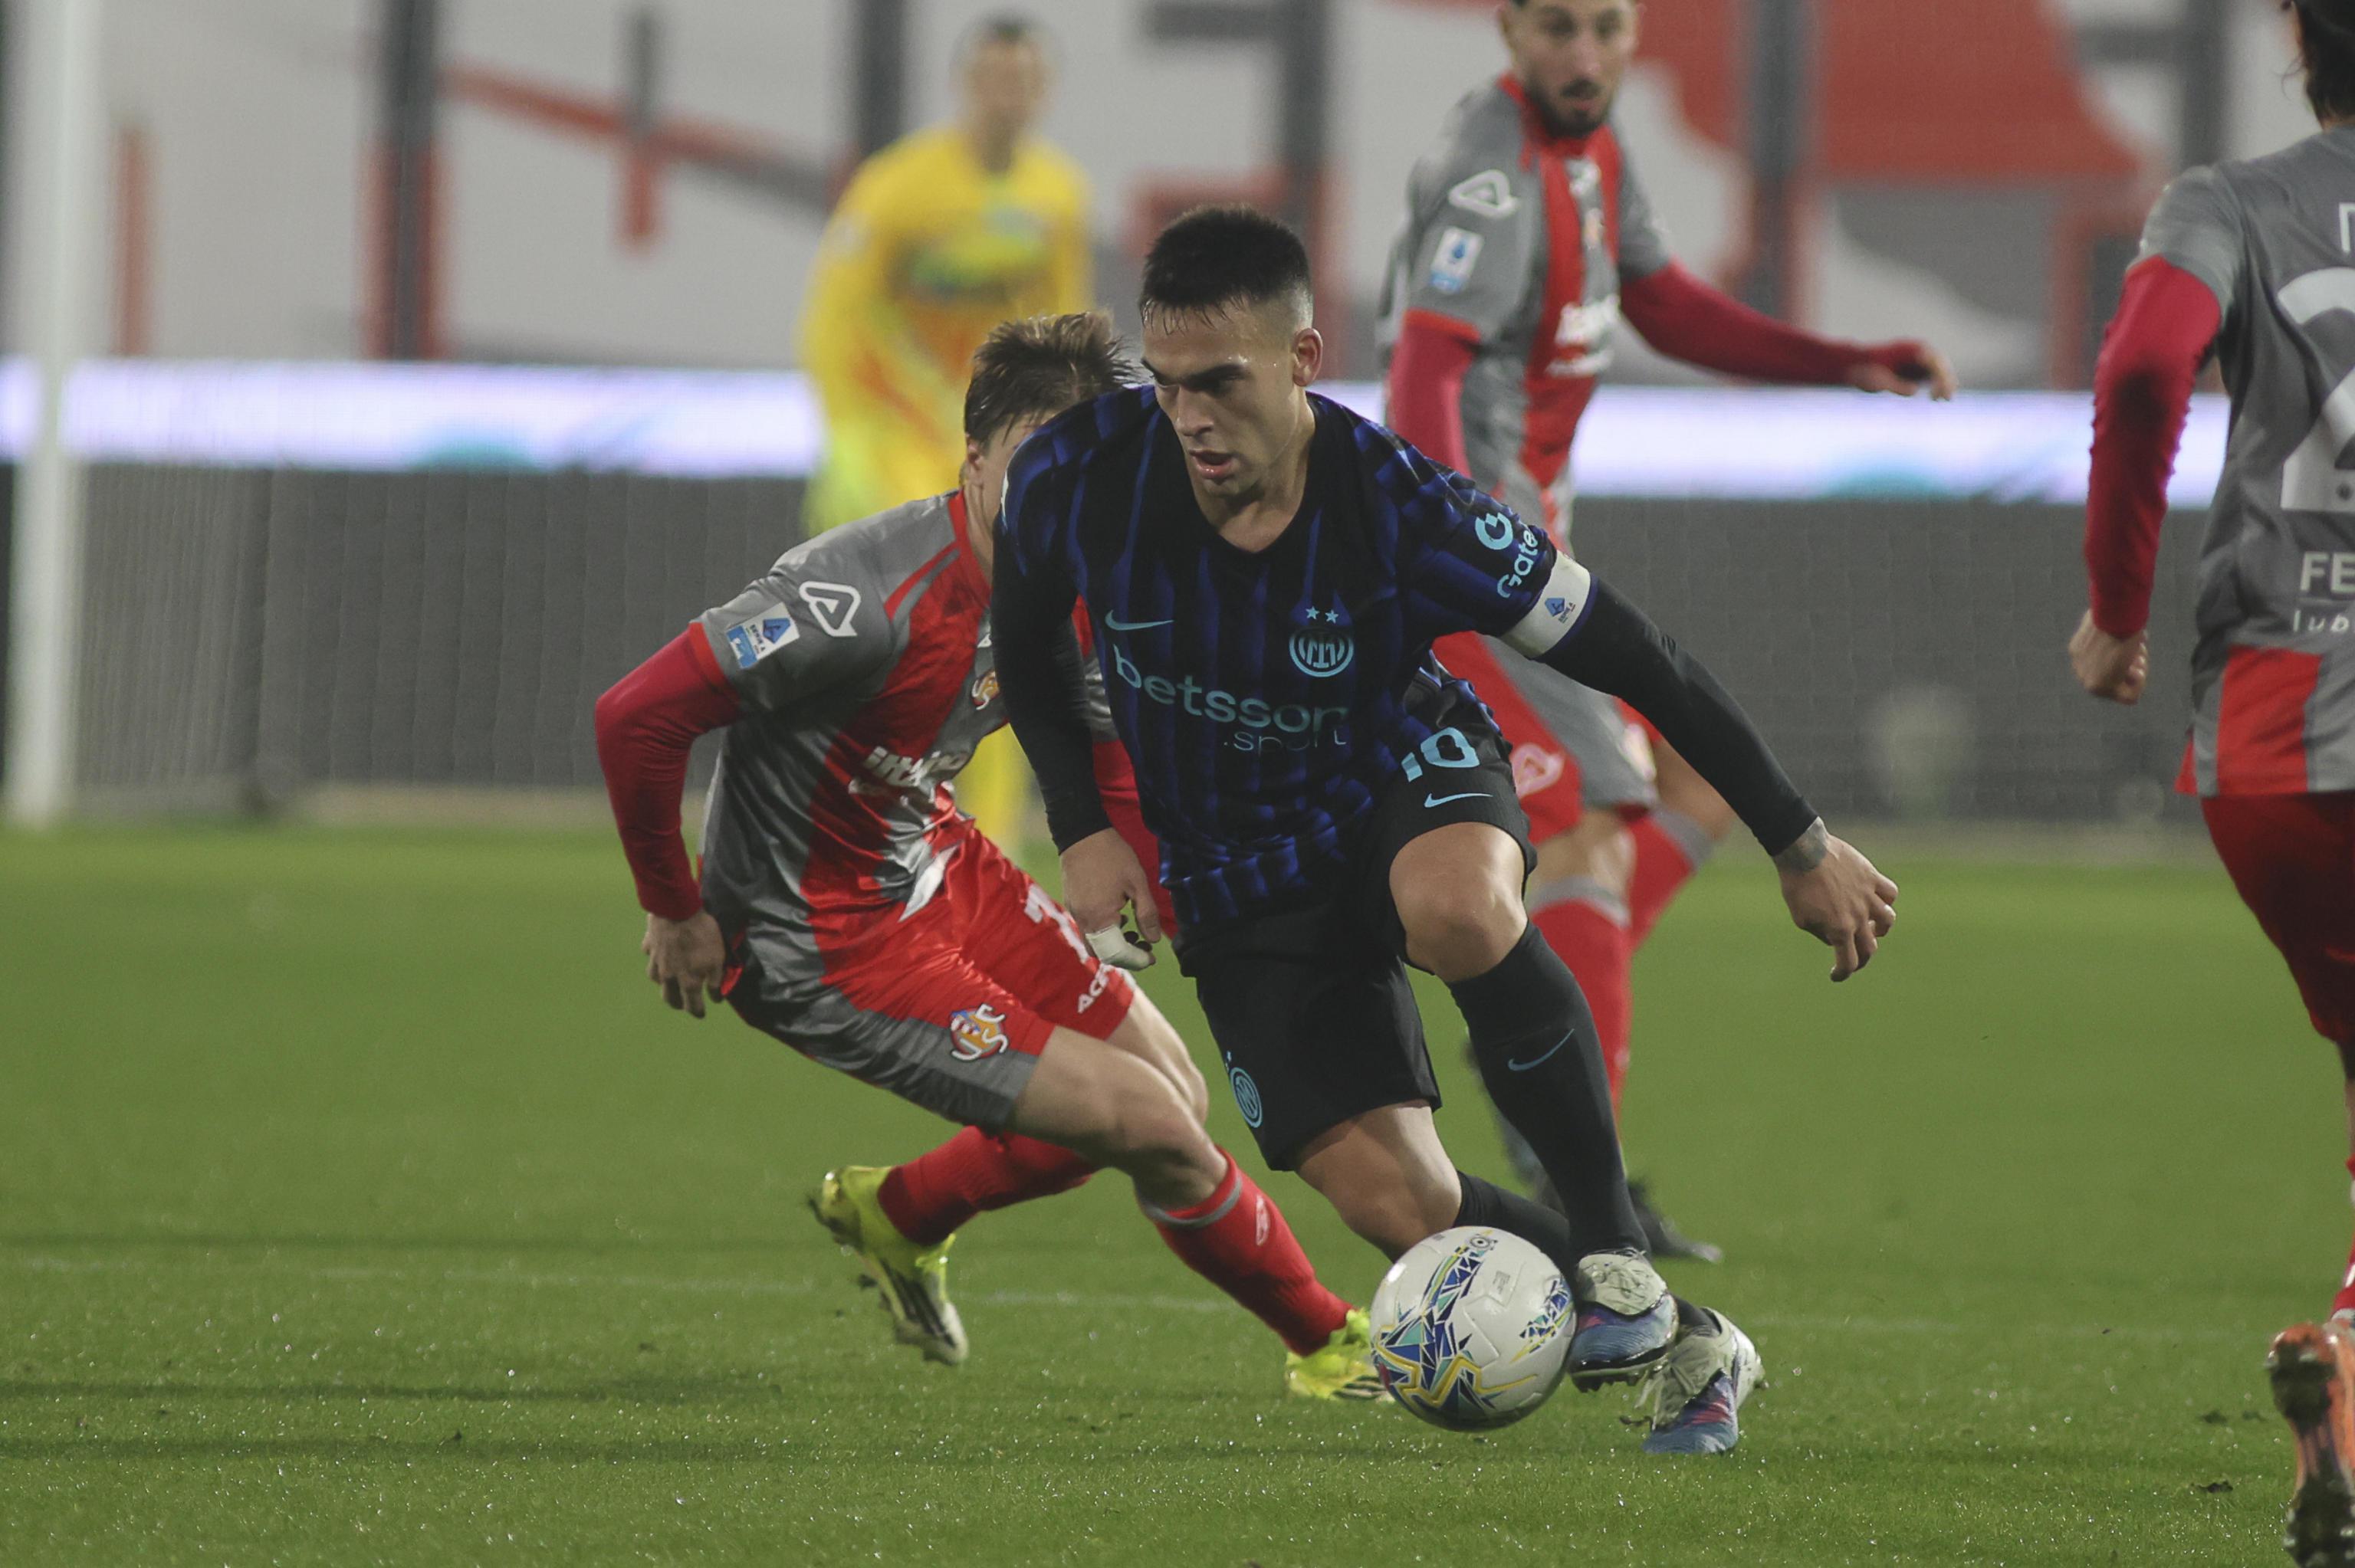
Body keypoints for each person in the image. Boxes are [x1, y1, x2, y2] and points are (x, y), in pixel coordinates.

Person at [993, 205, 1899, 1454]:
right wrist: (1085, 830)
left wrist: (1799, 842)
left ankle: (1616, 1256)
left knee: (1458, 907)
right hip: (1235, 871)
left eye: (1222, 381)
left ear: (1302, 359)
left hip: (1398, 778)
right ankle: (1695, 1340)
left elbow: (1638, 654)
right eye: (1169, 382)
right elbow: (1026, 646)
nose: (1190, 415)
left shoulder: (1401, 506)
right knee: (1398, 1202)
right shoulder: (1077, 476)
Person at [593, 313, 1378, 1401]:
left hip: (934, 860)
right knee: (1151, 1123)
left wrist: (1182, 899)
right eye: (1035, 461)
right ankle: (1334, 1346)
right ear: (972, 458)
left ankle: (899, 1213)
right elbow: (636, 716)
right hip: (816, 939)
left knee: (1170, 1091)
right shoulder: (859, 600)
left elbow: (1107, 753)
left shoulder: (1074, 588)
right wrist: (675, 907)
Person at [1378, 0, 1956, 1259]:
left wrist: (1835, 360)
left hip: (1524, 555)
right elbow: (1426, 359)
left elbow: (1663, 301)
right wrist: (1445, 536)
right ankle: (1583, 1187)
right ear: (1509, 30)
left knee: (1688, 777)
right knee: (1592, 821)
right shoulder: (1492, 171)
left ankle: (1526, 1010)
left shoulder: (1591, 151)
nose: (1583, 56)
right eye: (1556, 29)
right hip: (1477, 566)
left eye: (1605, 28)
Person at [2071, 2, 2355, 1553]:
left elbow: (2138, 377)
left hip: (2269, 737)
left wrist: (2117, 611)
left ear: (2299, 41)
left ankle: (2341, 1420)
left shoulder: (2225, 204)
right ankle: (2347, 1368)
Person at [799, 14, 1092, 846]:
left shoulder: (1056, 195)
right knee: (889, 641)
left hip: (989, 452)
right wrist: (853, 433)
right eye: (993, 78)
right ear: (964, 85)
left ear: (1043, 91)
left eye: (1022, 80)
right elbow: (833, 319)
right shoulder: (896, 189)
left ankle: (983, 843)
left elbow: (1063, 327)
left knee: (1001, 642)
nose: (1007, 96)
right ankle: (839, 817)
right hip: (893, 443)